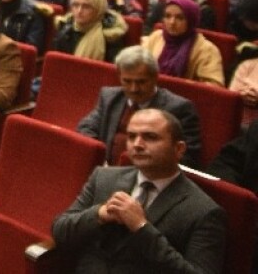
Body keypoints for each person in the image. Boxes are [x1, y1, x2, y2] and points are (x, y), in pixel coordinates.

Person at [52, 109, 226, 273]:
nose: (137, 145)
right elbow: (60, 230)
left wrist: (141, 227)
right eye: (131, 136)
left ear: (178, 149)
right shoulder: (103, 177)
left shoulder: (204, 211)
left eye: (150, 137)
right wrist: (99, 214)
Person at [76, 46, 204, 167]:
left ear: (155, 77)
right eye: (127, 81)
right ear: (119, 77)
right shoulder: (109, 96)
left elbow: (187, 157)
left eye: (141, 82)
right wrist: (100, 158)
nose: (134, 89)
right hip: (106, 169)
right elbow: (86, 127)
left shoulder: (179, 108)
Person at [142, 0, 225, 87]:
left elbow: (215, 87)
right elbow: (139, 66)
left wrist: (183, 85)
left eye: (180, 18)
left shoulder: (206, 49)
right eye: (168, 16)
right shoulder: (156, 36)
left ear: (191, 21)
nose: (172, 22)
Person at [54, 0, 127, 62]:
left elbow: (112, 70)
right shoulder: (65, 27)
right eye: (75, 5)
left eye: (86, 7)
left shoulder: (111, 35)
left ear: (98, 9)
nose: (79, 11)